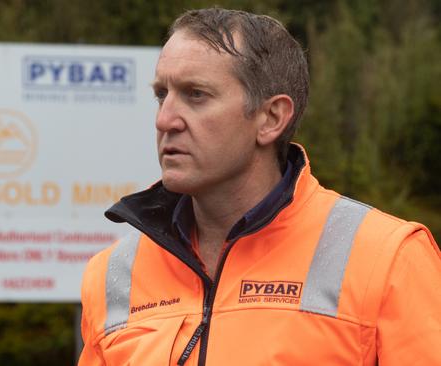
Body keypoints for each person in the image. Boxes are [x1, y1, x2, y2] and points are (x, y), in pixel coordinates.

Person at [78, 7, 441, 366]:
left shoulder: (389, 259)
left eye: (196, 95)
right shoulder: (113, 272)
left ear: (271, 118)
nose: (165, 119)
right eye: (162, 95)